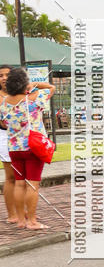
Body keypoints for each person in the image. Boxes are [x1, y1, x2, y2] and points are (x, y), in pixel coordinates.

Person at [0, 67, 55, 230]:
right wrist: (35, 84)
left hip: (14, 148)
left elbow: (3, 123)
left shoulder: (3, 103)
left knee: (19, 183)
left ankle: (20, 220)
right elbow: (52, 87)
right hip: (32, 147)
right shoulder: (34, 98)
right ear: (25, 82)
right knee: (32, 184)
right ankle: (32, 221)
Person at [0, 64, 17, 223]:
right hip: (5, 136)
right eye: (1, 75)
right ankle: (12, 214)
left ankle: (24, 211)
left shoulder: (20, 93)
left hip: (21, 136)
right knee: (11, 176)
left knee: (22, 176)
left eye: (7, 75)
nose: (4, 78)